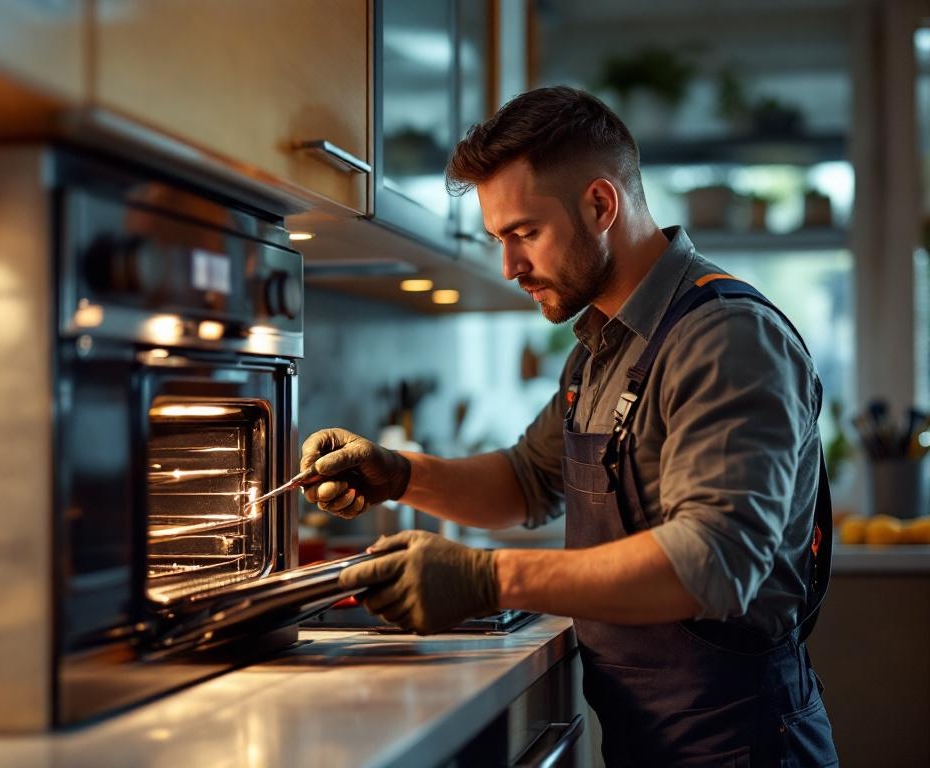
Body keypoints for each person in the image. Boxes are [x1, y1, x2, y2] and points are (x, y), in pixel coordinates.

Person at [300, 86, 838, 766]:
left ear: (600, 205)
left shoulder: (725, 337)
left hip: (744, 741)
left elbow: (713, 563)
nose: (509, 266)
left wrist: (484, 578)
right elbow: (525, 482)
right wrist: (398, 474)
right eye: (500, 239)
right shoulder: (600, 349)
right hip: (650, 736)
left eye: (524, 233)